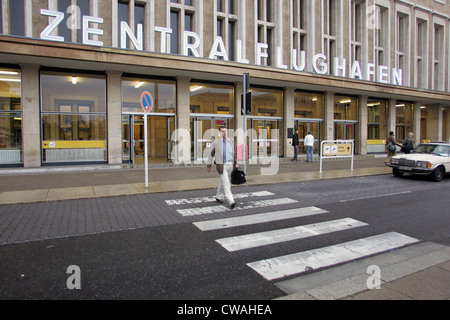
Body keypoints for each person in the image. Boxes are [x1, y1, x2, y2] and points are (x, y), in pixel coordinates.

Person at [206, 126, 237, 209]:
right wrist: (208, 165)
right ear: (219, 133)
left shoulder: (231, 141)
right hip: (221, 165)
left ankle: (218, 196)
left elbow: (233, 154)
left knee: (224, 181)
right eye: (222, 131)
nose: (224, 133)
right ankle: (231, 201)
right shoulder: (216, 143)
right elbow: (211, 155)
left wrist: (235, 163)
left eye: (225, 131)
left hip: (230, 164)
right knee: (226, 183)